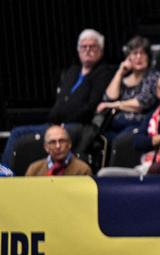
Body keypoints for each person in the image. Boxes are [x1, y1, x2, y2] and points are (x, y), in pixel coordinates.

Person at [3, 29, 114, 169]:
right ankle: (5, 173)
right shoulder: (72, 72)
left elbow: (91, 106)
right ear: (78, 50)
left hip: (78, 126)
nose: (87, 50)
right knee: (16, 132)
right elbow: (60, 104)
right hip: (55, 123)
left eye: (92, 46)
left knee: (42, 139)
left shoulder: (103, 73)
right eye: (84, 46)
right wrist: (56, 120)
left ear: (101, 50)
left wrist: (62, 122)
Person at [97, 35, 160, 137]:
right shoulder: (124, 77)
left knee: (121, 139)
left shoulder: (153, 76)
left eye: (142, 53)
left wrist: (112, 105)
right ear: (128, 58)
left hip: (139, 125)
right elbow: (109, 98)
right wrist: (120, 72)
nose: (138, 57)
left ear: (148, 57)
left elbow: (141, 104)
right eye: (135, 53)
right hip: (115, 125)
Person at [25, 125, 92, 177]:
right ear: (46, 147)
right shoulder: (34, 169)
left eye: (62, 141)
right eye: (53, 142)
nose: (58, 146)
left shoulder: (83, 170)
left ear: (69, 144)